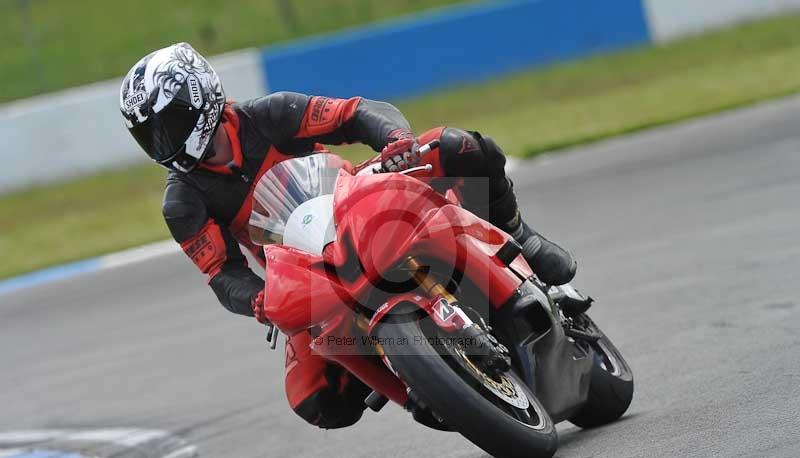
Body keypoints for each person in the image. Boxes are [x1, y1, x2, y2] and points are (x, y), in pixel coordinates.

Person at [120, 43, 576, 429]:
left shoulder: (271, 113)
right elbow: (221, 274)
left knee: (459, 146)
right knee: (315, 399)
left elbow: (355, 113)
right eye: (150, 137)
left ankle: (520, 236)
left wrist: (396, 139)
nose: (163, 144)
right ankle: (414, 388)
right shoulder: (182, 201)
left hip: (357, 203)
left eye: (169, 126)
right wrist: (258, 299)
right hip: (305, 268)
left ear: (202, 98)